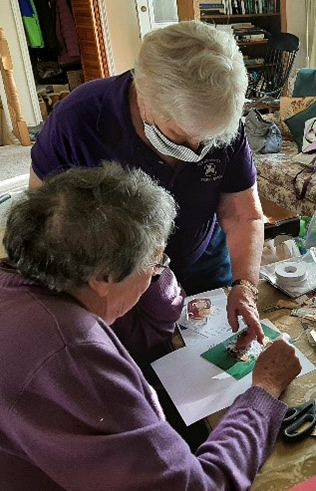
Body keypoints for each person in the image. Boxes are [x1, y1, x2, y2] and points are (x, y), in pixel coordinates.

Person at [0, 163, 301, 491]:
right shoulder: (72, 351)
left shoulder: (29, 281)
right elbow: (199, 487)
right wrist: (264, 392)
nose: (158, 274)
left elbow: (142, 331)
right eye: (156, 265)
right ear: (103, 278)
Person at [28, 20, 264, 347]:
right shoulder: (78, 120)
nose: (197, 153)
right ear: (145, 98)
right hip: (114, 291)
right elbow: (42, 230)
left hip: (205, 269)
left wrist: (246, 286)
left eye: (208, 141)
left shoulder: (220, 116)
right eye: (182, 138)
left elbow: (242, 215)